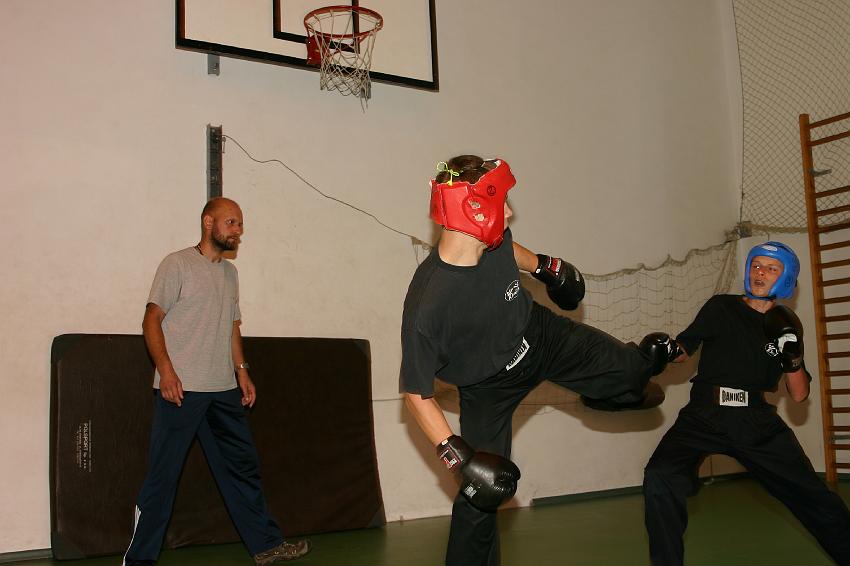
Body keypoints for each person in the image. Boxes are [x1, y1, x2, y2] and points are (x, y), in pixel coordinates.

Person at [400, 155, 680, 566]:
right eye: (502, 203)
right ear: (474, 210)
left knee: (635, 370)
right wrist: (457, 457)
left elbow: (511, 252)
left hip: (541, 337)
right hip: (487, 387)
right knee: (480, 496)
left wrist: (547, 268)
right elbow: (416, 393)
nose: (510, 212)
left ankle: (607, 394)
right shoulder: (428, 304)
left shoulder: (492, 239)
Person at [123, 198, 310, 565]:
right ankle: (139, 560)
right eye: (231, 223)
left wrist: (242, 371)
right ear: (209, 223)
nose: (238, 230)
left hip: (222, 390)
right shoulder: (177, 264)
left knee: (243, 469)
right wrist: (167, 371)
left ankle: (266, 546)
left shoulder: (230, 274)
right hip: (182, 390)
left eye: (240, 224)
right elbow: (151, 320)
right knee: (163, 478)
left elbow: (231, 326)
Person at [643, 241, 850, 565]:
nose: (760, 273)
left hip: (756, 421)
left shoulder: (784, 323)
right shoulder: (720, 307)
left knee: (813, 497)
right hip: (703, 414)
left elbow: (799, 394)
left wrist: (792, 357)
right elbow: (685, 349)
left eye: (771, 268)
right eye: (756, 265)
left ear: (785, 278)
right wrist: (668, 350)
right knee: (660, 476)